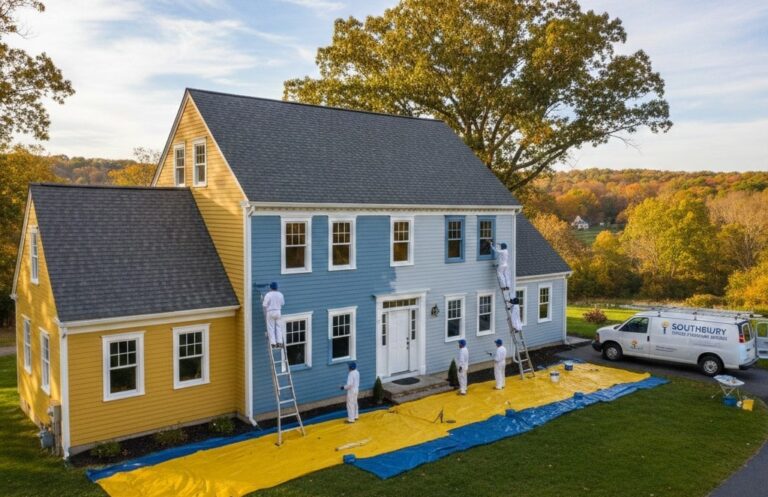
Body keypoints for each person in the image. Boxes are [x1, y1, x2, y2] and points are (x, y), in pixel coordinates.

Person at [262, 282, 285, 347]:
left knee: (271, 327)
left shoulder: (268, 294)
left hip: (270, 312)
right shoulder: (280, 294)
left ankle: (273, 343)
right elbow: (282, 303)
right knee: (278, 327)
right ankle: (279, 342)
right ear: (277, 287)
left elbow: (264, 305)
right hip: (278, 311)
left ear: (270, 287)